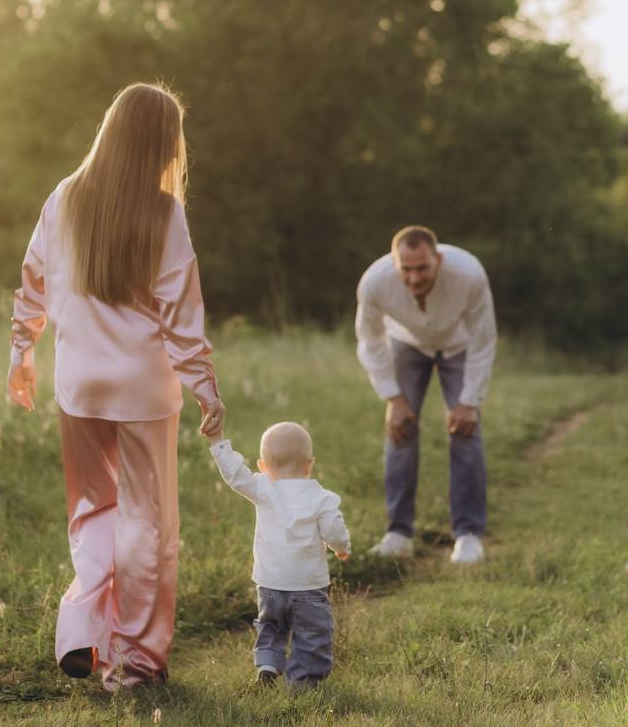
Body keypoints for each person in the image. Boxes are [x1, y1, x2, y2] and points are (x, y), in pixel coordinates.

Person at [7, 82, 225, 691]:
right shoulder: (164, 212)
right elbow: (181, 316)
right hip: (143, 390)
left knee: (93, 511)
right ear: (162, 144)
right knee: (147, 526)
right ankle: (136, 663)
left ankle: (82, 631)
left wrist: (21, 352)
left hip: (78, 384)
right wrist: (206, 388)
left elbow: (32, 281)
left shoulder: (64, 196)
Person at [355, 225, 496, 564]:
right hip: (406, 343)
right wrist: (393, 399)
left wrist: (468, 402)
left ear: (438, 259)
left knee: (466, 429)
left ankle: (468, 535)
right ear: (395, 263)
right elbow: (370, 343)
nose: (414, 278)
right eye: (406, 269)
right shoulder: (374, 283)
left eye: (422, 268)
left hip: (459, 344)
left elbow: (483, 339)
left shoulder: (469, 274)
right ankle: (399, 534)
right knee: (400, 429)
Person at [205, 421, 350, 688]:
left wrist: (218, 442)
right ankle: (302, 682)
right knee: (312, 634)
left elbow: (236, 475)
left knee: (271, 626)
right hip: (307, 586)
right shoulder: (322, 498)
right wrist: (341, 546)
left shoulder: (263, 488)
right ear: (309, 465)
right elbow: (333, 529)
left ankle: (268, 665)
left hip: (269, 583)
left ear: (262, 466)